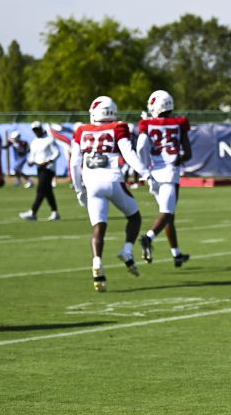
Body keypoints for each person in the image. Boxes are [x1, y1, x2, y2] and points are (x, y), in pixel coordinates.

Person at [69, 96, 147, 292]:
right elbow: (128, 153)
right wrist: (145, 172)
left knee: (99, 227)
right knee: (134, 216)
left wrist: (79, 188)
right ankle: (127, 250)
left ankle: (97, 262)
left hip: (92, 184)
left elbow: (74, 163)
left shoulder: (81, 130)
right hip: (113, 181)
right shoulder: (118, 127)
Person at [135, 90, 193, 267]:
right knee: (167, 212)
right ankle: (148, 237)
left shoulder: (147, 124)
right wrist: (178, 158)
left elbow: (141, 146)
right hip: (169, 173)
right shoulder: (178, 123)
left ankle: (176, 254)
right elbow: (188, 153)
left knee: (169, 215)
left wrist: (145, 169)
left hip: (153, 173)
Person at [18, 121, 62, 221]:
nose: (36, 132)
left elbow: (57, 153)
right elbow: (32, 156)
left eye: (37, 129)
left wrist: (48, 161)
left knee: (40, 190)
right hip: (39, 168)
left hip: (48, 168)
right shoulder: (34, 142)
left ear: (41, 129)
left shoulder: (49, 140)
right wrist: (30, 162)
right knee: (47, 191)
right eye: (34, 130)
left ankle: (33, 212)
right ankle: (55, 212)